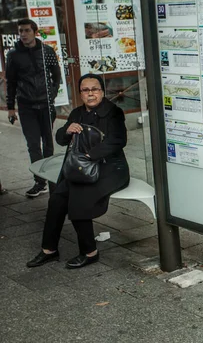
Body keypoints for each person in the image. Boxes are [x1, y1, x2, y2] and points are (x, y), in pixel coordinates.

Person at [26, 74, 130, 269]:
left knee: (79, 198)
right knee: (57, 199)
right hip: (80, 169)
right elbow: (60, 139)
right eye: (85, 90)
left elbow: (118, 140)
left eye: (95, 89)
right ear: (80, 93)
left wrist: (90, 156)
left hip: (109, 168)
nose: (90, 93)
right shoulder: (77, 113)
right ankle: (49, 249)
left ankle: (90, 252)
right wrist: (67, 131)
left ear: (102, 91)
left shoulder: (113, 112)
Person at [6, 18, 61, 197]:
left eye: (26, 30)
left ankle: (51, 178)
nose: (23, 34)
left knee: (48, 143)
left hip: (46, 104)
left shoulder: (47, 51)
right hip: (26, 105)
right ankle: (39, 182)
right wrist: (10, 108)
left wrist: (51, 95)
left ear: (35, 32)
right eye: (20, 31)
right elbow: (11, 83)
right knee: (33, 144)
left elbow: (56, 76)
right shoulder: (13, 55)